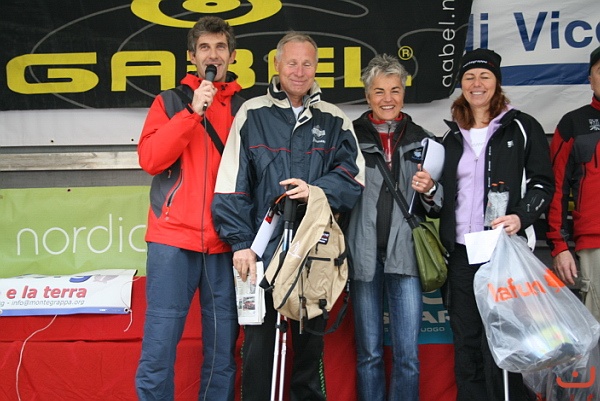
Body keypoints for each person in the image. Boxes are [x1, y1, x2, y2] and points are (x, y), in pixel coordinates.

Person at [212, 32, 364, 401]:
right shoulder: (252, 114)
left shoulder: (335, 119)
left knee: (309, 351)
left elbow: (355, 177)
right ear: (277, 65)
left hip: (315, 255)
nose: (299, 71)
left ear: (316, 68)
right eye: (292, 62)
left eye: (307, 63)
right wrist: (241, 244)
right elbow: (231, 185)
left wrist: (316, 190)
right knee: (258, 348)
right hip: (262, 255)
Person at [135, 16, 243, 401]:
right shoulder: (169, 102)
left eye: (220, 47)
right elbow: (151, 159)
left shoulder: (246, 107)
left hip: (227, 243)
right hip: (172, 241)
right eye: (204, 48)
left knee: (222, 351)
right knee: (160, 345)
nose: (212, 55)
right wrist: (192, 113)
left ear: (232, 55)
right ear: (192, 56)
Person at [438, 48, 553, 401]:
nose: (477, 84)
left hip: (505, 252)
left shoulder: (522, 126)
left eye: (484, 76)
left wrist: (521, 216)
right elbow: (441, 197)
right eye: (469, 77)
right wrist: (428, 192)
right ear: (461, 84)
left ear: (497, 83)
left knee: (507, 338)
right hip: (461, 253)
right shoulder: (450, 136)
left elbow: (543, 183)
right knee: (467, 338)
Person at [345, 54, 442, 401]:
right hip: (363, 257)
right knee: (369, 354)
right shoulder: (348, 138)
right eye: (379, 91)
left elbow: (439, 203)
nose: (388, 99)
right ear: (367, 95)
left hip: (406, 256)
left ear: (404, 93)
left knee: (408, 357)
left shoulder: (424, 140)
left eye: (395, 90)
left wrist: (430, 188)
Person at [547, 45, 600, 321]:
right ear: (590, 79)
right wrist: (559, 245)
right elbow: (556, 187)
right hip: (595, 243)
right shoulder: (573, 123)